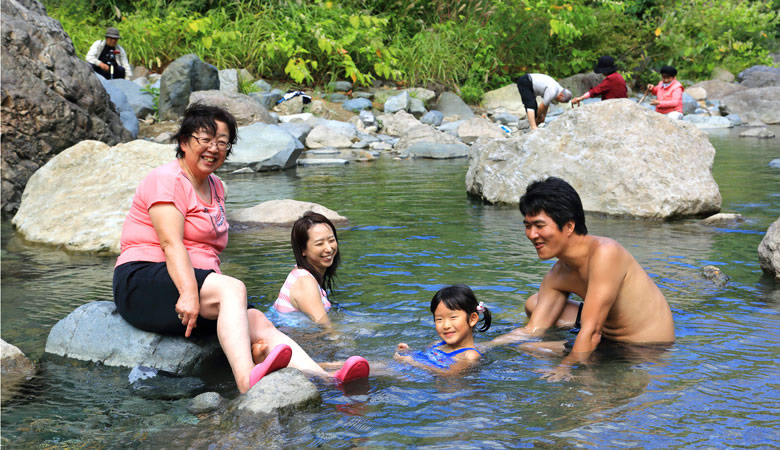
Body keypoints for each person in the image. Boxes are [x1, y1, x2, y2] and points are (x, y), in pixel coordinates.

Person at [112, 103, 368, 393]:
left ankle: (324, 378)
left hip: (192, 283)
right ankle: (247, 379)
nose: (214, 148)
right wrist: (187, 292)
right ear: (184, 142)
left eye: (222, 142)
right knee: (232, 288)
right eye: (205, 140)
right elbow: (170, 243)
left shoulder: (216, 187)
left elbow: (208, 253)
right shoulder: (167, 180)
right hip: (144, 280)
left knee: (256, 319)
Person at [491, 177, 675, 381]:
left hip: (643, 348)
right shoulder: (558, 274)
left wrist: (564, 368)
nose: (532, 234)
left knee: (531, 348)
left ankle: (578, 354)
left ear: (569, 226)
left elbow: (593, 331)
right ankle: (571, 347)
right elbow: (532, 330)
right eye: (527, 226)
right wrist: (481, 347)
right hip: (606, 335)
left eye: (539, 225)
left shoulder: (606, 254)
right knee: (534, 304)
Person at [393, 285, 492, 376]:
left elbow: (449, 373)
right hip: (411, 372)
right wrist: (408, 352)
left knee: (381, 372)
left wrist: (413, 363)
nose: (445, 325)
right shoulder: (436, 344)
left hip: (433, 384)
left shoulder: (469, 355)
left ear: (472, 319)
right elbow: (424, 358)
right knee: (379, 367)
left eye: (453, 317)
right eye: (439, 319)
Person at [272, 212, 340, 325]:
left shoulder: (300, 274)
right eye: (319, 244)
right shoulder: (305, 282)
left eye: (331, 240)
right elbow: (326, 328)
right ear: (302, 249)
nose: (329, 248)